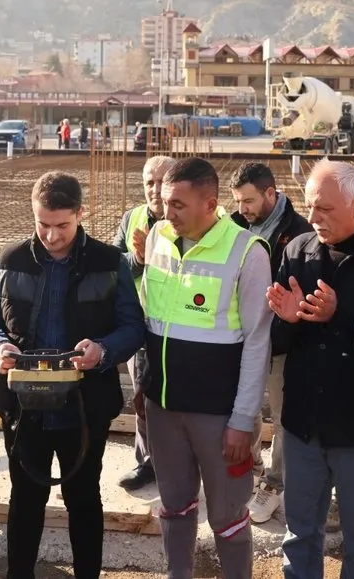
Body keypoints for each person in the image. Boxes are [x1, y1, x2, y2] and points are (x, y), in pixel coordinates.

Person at [0, 171, 144, 579]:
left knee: (84, 498)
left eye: (62, 226)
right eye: (43, 225)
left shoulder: (110, 262)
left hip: (84, 408)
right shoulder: (9, 259)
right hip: (23, 405)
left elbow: (133, 327)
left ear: (80, 214)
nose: (51, 236)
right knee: (25, 497)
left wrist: (103, 351)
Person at [266, 161, 354, 578]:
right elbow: (276, 340)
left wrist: (339, 314)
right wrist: (287, 321)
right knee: (298, 535)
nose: (313, 219)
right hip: (303, 425)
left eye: (324, 209)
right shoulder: (299, 251)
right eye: (310, 207)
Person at [139, 157, 273, 579]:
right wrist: (146, 390)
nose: (167, 213)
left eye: (178, 205)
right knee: (174, 506)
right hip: (163, 408)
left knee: (229, 517)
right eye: (164, 203)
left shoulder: (247, 252)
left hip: (218, 417)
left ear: (210, 203)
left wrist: (242, 418)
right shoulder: (158, 237)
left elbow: (257, 341)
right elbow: (151, 319)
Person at [228, 161, 310, 524]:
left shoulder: (299, 233)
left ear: (271, 194)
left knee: (280, 413)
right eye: (238, 201)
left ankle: (274, 484)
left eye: (248, 201)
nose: (242, 209)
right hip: (242, 336)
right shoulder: (233, 226)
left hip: (280, 342)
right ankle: (251, 462)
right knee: (242, 403)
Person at [112, 155, 176, 491]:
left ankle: (179, 464)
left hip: (182, 325)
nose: (154, 189)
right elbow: (112, 265)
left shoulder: (192, 218)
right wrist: (136, 259)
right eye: (149, 182)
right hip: (142, 323)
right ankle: (147, 463)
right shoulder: (133, 218)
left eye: (162, 181)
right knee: (142, 398)